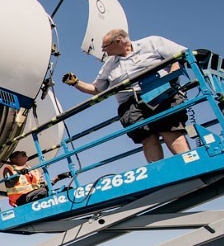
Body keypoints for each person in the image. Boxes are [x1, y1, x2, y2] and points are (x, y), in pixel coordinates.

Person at [62, 29, 190, 163]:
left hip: (159, 94)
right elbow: (96, 89)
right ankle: (158, 172)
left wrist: (169, 80)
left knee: (170, 131)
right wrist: (76, 83)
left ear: (118, 41)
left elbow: (181, 55)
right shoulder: (109, 65)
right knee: (147, 139)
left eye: (105, 47)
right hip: (130, 106)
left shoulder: (152, 43)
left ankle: (190, 164)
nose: (104, 51)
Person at [2, 150, 69, 207]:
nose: (23, 153)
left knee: (67, 190)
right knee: (43, 192)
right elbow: (9, 184)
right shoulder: (10, 169)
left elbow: (42, 184)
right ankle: (47, 198)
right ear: (14, 159)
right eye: (20, 153)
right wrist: (18, 174)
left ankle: (53, 195)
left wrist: (58, 178)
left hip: (35, 194)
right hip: (21, 198)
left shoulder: (32, 170)